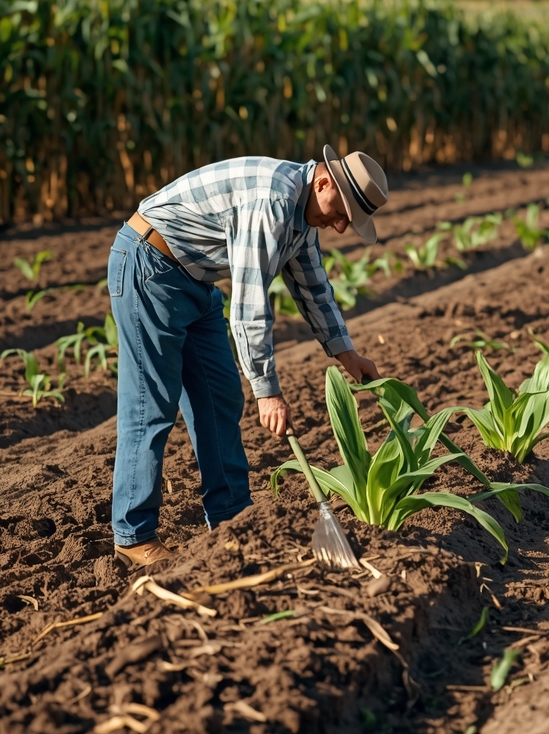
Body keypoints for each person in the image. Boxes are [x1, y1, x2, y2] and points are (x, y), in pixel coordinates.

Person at [107, 145, 388, 567]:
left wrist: (347, 355)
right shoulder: (273, 201)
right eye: (342, 210)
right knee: (151, 406)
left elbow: (313, 289)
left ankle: (230, 518)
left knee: (220, 397)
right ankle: (132, 535)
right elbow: (250, 308)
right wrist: (268, 391)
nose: (342, 226)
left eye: (349, 219)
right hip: (152, 267)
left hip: (194, 280)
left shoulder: (302, 216)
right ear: (324, 181)